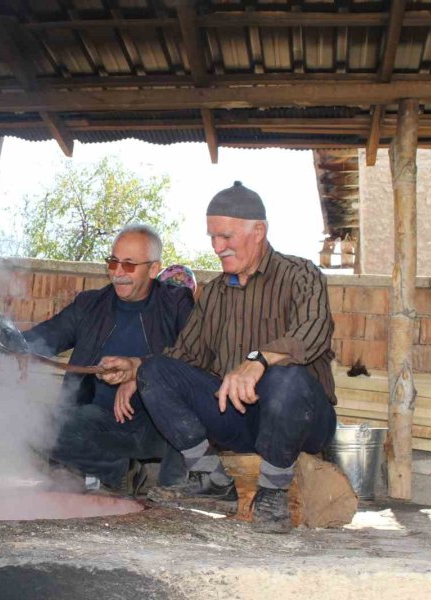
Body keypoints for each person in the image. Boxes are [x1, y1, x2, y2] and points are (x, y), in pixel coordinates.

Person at [99, 182, 337, 533]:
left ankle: (273, 493)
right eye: (211, 237)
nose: (216, 247)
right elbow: (183, 355)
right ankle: (210, 477)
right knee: (156, 370)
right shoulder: (214, 294)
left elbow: (314, 331)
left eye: (225, 237)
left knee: (286, 379)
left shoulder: (301, 274)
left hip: (301, 420)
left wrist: (258, 361)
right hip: (239, 420)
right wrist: (137, 369)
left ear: (259, 231)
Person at [24, 224, 194, 494]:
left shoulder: (176, 304)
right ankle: (123, 473)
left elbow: (197, 354)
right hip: (99, 422)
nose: (117, 272)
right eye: (113, 262)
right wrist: (6, 346)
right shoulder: (89, 305)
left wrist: (141, 372)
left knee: (194, 415)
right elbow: (43, 338)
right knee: (34, 424)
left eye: (128, 265)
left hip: (158, 425)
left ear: (153, 269)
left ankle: (167, 486)